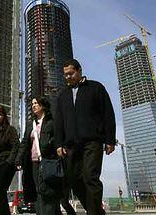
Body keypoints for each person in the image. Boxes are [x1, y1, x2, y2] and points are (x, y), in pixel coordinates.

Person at [55, 59, 116, 215]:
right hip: (71, 145)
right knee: (74, 180)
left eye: (71, 73)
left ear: (79, 70)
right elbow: (59, 121)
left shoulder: (95, 88)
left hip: (92, 142)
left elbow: (108, 114)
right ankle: (95, 211)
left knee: (90, 177)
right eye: (65, 75)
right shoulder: (63, 95)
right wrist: (59, 143)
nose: (68, 77)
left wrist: (109, 139)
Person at [16, 97, 61, 215]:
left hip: (47, 161)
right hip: (33, 163)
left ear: (43, 105)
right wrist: (19, 158)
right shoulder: (31, 124)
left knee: (46, 190)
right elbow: (25, 143)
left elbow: (58, 139)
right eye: (32, 104)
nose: (33, 105)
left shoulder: (51, 122)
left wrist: (50, 144)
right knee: (37, 191)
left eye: (36, 103)